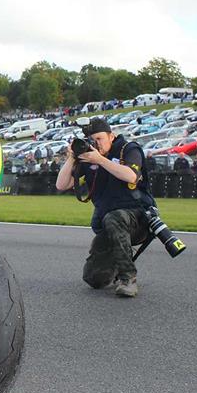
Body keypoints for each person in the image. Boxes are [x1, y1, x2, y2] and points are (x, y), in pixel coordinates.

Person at [55, 120, 153, 298]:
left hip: (138, 218)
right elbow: (62, 185)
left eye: (100, 138)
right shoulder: (89, 157)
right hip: (109, 225)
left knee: (114, 218)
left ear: (111, 135)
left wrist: (101, 160)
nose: (96, 143)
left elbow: (131, 176)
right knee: (94, 279)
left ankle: (128, 279)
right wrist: (72, 157)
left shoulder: (128, 149)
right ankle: (119, 255)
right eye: (92, 140)